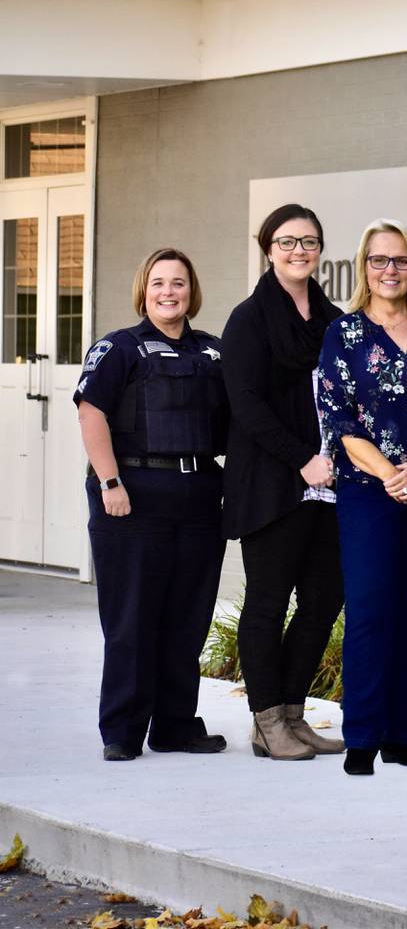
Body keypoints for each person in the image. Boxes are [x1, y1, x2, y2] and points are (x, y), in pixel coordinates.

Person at [75, 248, 229, 761]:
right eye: (159, 283)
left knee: (187, 619)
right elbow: (91, 413)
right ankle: (121, 731)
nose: (169, 292)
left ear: (192, 291)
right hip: (134, 497)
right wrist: (109, 482)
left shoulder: (212, 352)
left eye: (179, 283)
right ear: (144, 290)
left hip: (200, 497)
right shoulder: (118, 348)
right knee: (131, 619)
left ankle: (174, 726)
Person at [222, 203, 345, 762]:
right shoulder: (249, 319)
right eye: (289, 241)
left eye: (310, 242)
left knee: (323, 599)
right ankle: (265, 720)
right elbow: (245, 404)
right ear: (268, 249)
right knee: (269, 604)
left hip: (329, 483)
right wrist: (301, 459)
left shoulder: (331, 318)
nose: (300, 251)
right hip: (274, 483)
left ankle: (293, 714)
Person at [317, 219, 407, 776]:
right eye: (379, 260)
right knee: (368, 609)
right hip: (368, 491)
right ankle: (362, 735)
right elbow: (339, 420)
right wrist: (393, 475)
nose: (390, 270)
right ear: (364, 267)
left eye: (401, 260)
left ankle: (405, 733)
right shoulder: (343, 334)